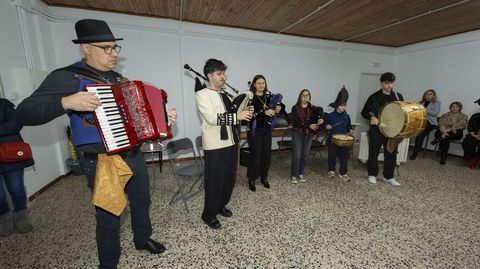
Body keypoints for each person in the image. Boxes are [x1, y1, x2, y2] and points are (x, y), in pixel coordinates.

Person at [15, 19, 176, 269]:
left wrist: (162, 119)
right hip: (101, 159)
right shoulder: (67, 78)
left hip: (132, 153)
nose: (113, 54)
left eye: (115, 48)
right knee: (109, 213)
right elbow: (24, 112)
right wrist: (65, 103)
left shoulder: (120, 79)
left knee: (142, 200)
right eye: (106, 48)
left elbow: (139, 118)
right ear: (85, 48)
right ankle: (108, 263)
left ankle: (142, 239)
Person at [195, 58, 252, 229]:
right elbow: (212, 118)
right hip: (214, 145)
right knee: (214, 180)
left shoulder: (225, 94)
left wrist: (246, 110)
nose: (223, 77)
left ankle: (220, 205)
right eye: (219, 73)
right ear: (209, 75)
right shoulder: (202, 94)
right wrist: (237, 116)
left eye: (224, 73)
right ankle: (208, 214)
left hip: (231, 141)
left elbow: (236, 112)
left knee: (229, 178)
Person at [361, 72, 404, 187]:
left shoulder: (398, 97)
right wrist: (372, 116)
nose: (389, 86)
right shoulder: (374, 96)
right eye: (386, 83)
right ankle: (372, 174)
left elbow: (402, 113)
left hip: (393, 130)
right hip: (377, 129)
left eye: (391, 83)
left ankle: (388, 176)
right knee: (373, 152)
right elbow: (364, 112)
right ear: (381, 83)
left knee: (391, 153)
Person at [0, 98, 35, 237]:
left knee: (16, 188)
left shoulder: (4, 104)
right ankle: (4, 220)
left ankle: (21, 217)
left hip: (11, 155)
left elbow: (16, 123)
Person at [246, 75, 281, 191]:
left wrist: (278, 109)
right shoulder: (251, 97)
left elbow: (280, 106)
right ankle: (252, 179)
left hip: (267, 129)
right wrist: (264, 113)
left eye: (263, 83)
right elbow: (250, 115)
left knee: (266, 155)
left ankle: (264, 177)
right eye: (259, 83)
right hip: (255, 130)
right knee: (255, 155)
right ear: (254, 84)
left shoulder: (269, 96)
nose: (261, 85)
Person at [290, 89, 323, 183]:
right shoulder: (295, 108)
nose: (305, 97)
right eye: (303, 95)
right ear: (300, 97)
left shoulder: (313, 108)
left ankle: (300, 173)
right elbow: (296, 123)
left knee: (305, 155)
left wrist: (321, 118)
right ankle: (293, 175)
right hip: (298, 133)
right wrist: (309, 125)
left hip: (309, 134)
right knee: (297, 155)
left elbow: (320, 110)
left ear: (309, 97)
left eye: (307, 95)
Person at [325, 87, 352, 181]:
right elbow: (325, 125)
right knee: (331, 156)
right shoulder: (330, 116)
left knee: (344, 157)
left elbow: (349, 127)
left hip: (343, 141)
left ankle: (343, 173)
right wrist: (327, 126)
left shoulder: (347, 117)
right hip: (332, 140)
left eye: (345, 105)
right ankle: (331, 170)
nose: (343, 107)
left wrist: (350, 130)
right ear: (337, 106)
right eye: (341, 105)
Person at [410, 89, 441, 160]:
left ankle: (415, 153)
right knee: (410, 129)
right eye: (427, 94)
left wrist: (423, 108)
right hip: (420, 120)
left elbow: (435, 113)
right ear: (424, 95)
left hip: (430, 122)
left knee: (420, 135)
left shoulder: (437, 103)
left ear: (434, 96)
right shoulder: (421, 102)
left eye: (430, 94)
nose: (428, 95)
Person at [462, 98, 480, 169]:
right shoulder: (475, 116)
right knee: (467, 142)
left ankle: (477, 158)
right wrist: (475, 135)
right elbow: (470, 127)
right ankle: (473, 158)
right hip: (474, 135)